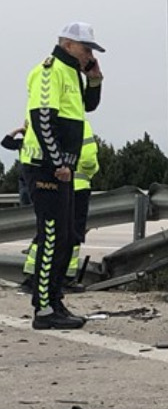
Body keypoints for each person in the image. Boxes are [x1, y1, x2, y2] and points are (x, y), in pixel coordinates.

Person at [19, 21, 105, 330]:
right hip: (45, 166)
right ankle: (43, 309)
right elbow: (41, 119)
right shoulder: (49, 69)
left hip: (63, 169)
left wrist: (94, 79)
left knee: (67, 237)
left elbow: (87, 108)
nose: (89, 55)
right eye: (86, 49)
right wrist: (57, 163)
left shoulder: (72, 73)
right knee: (52, 236)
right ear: (68, 44)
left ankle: (54, 301)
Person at [21, 119, 98, 292]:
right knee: (72, 233)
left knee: (47, 230)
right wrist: (91, 171)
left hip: (48, 182)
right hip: (76, 186)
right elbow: (88, 158)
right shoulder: (80, 124)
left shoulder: (45, 123)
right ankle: (65, 279)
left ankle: (33, 276)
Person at [2, 124, 31, 206]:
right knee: (24, 205)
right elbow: (5, 142)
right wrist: (18, 130)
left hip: (34, 179)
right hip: (23, 180)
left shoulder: (38, 143)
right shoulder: (21, 143)